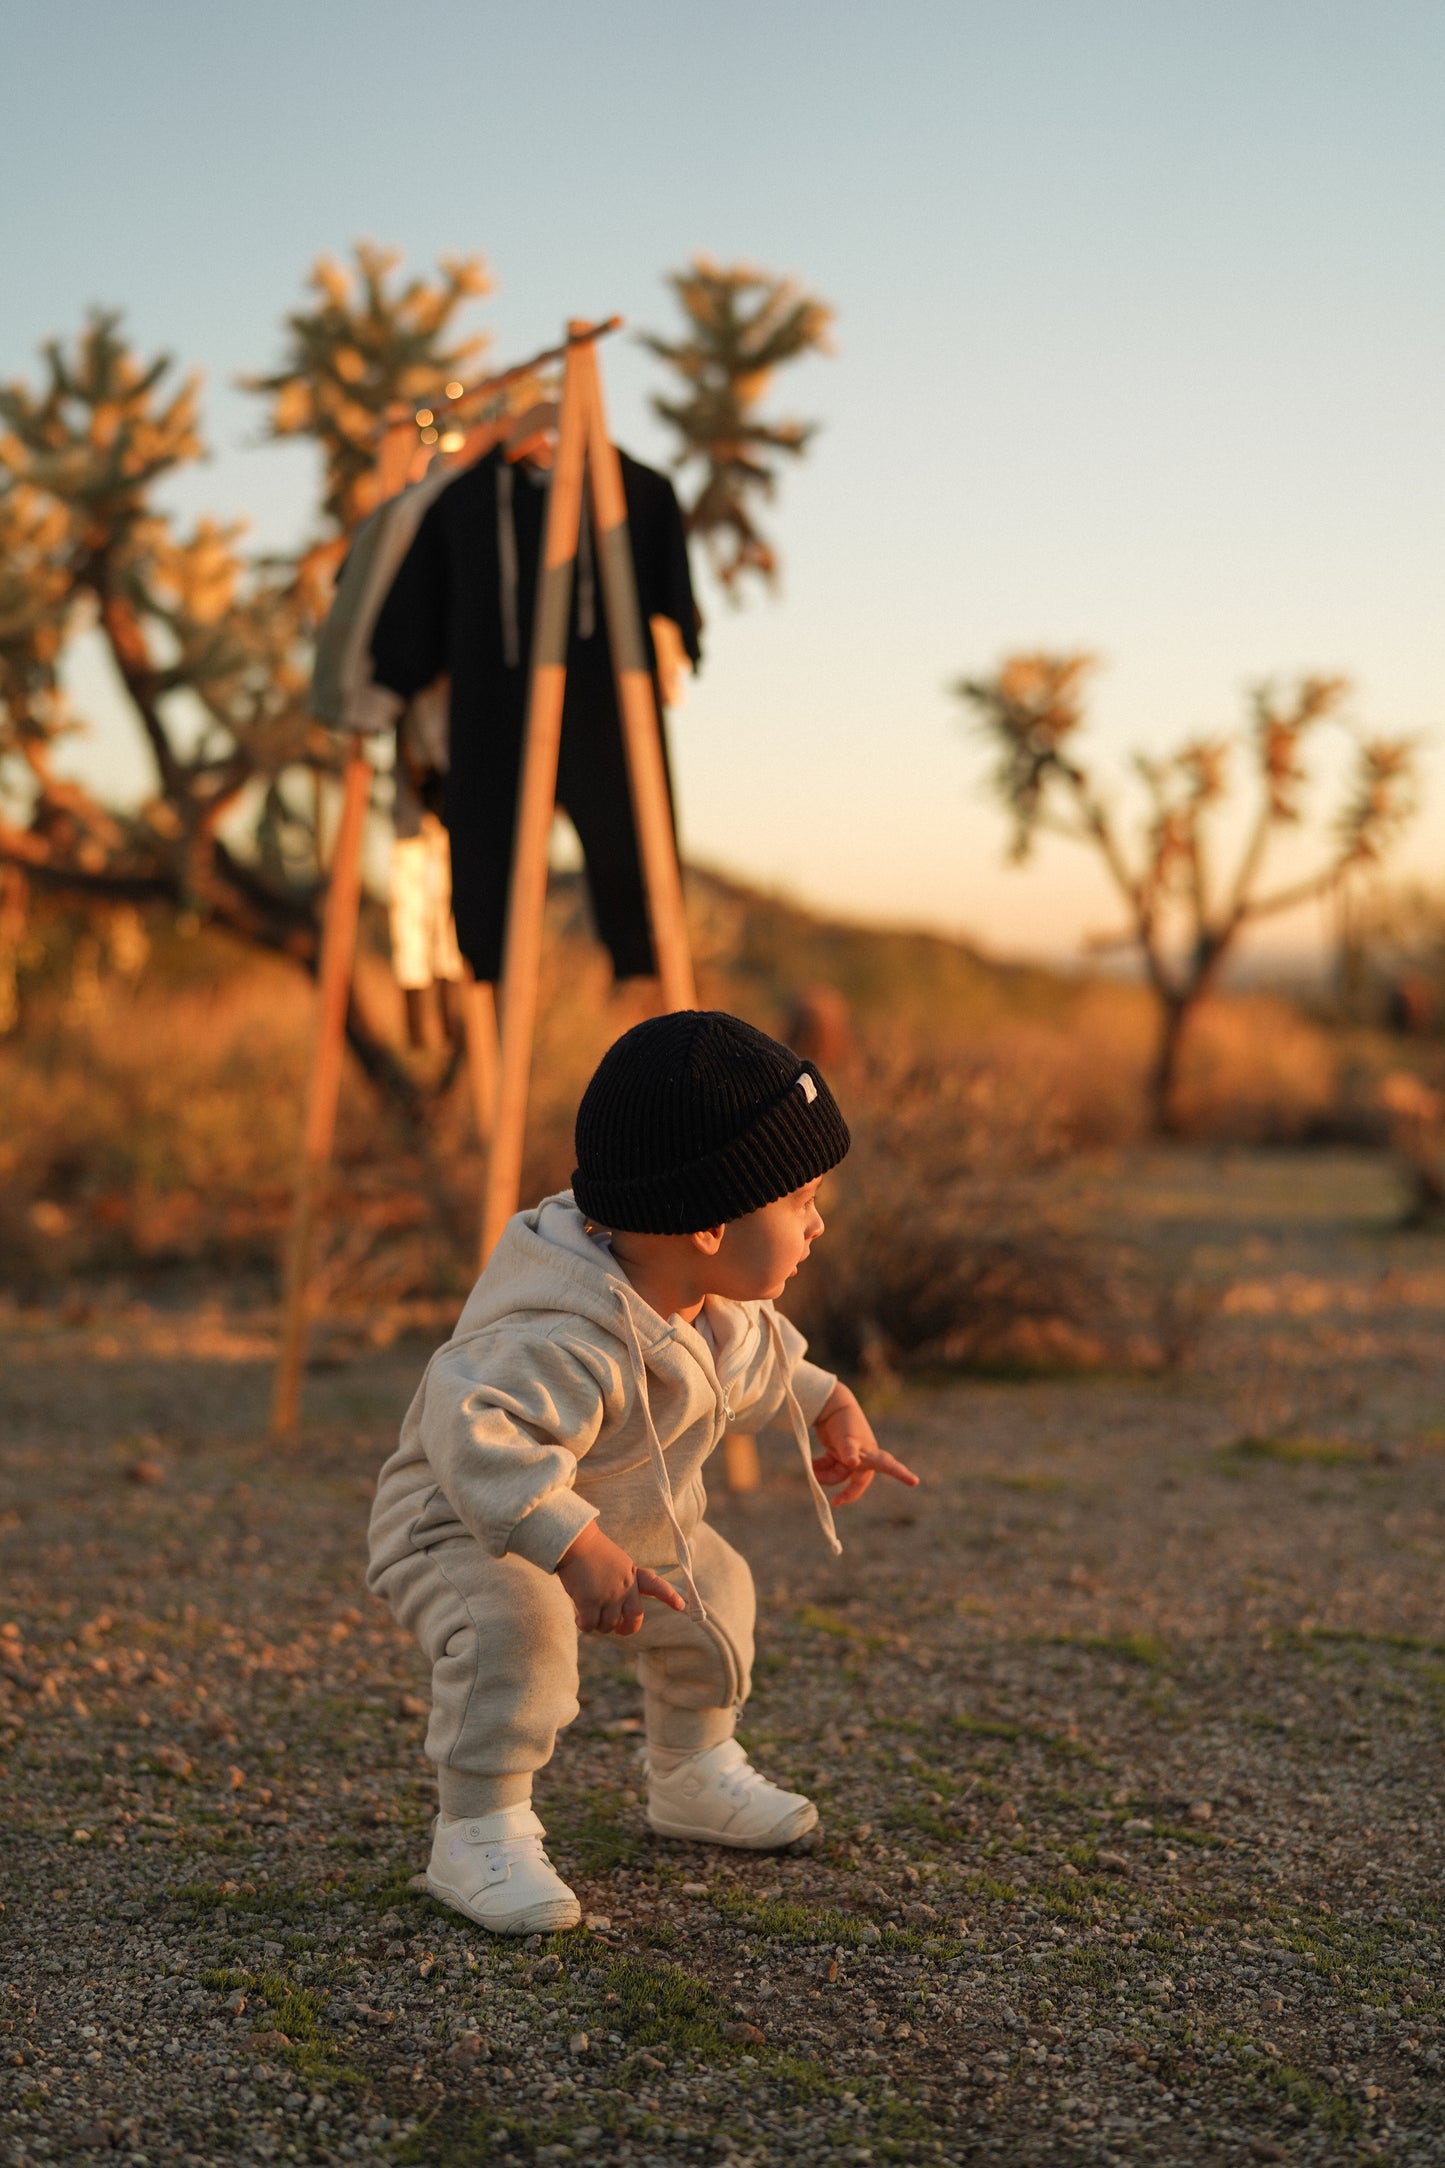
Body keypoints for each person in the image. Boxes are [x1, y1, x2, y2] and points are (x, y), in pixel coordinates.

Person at [367, 1011, 918, 1934]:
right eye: (800, 1201)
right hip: (462, 1526)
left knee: (718, 1591)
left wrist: (829, 1406)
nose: (818, 1224)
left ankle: (691, 1773)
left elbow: (759, 1363)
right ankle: (479, 1829)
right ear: (707, 1219)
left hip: (615, 1523)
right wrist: (571, 1544)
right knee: (521, 1629)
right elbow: (474, 1434)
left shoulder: (705, 1306)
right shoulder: (559, 1336)